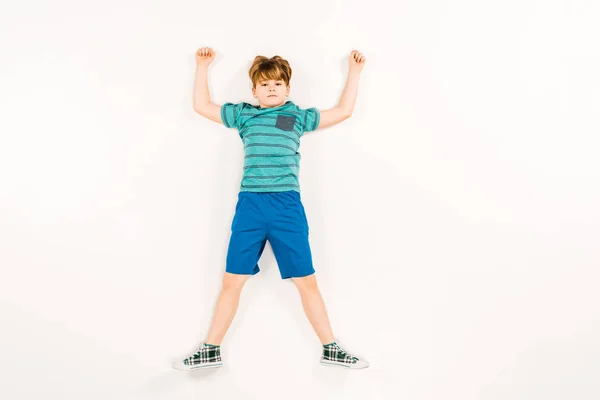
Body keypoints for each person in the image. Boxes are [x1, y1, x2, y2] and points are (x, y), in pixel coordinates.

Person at [172, 48, 368, 370]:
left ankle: (331, 348)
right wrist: (202, 66)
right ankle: (210, 349)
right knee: (232, 281)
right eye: (265, 85)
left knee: (307, 281)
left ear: (288, 89)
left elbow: (344, 111)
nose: (272, 88)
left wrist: (355, 73)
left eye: (278, 83)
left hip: (287, 207)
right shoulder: (244, 115)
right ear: (254, 91)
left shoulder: (298, 117)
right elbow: (201, 106)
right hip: (250, 205)